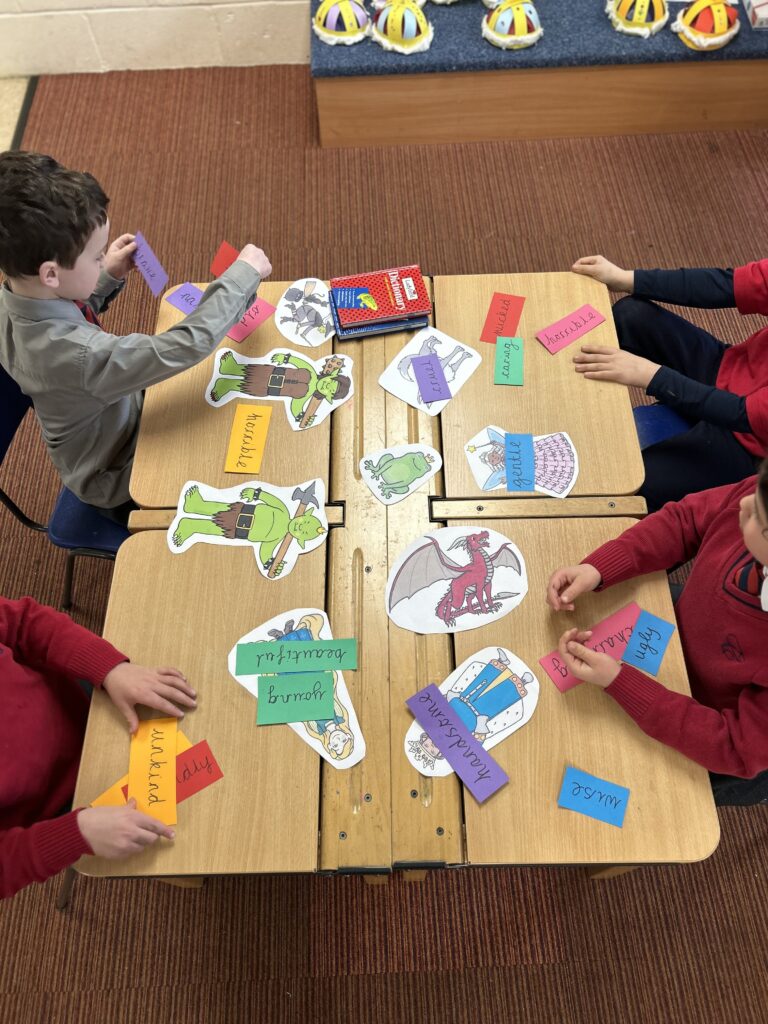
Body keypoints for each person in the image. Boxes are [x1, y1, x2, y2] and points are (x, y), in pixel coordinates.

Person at [0, 151, 272, 522]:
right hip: (119, 473)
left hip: (113, 417)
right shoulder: (79, 357)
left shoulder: (14, 294)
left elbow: (64, 316)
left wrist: (105, 275)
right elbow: (186, 344)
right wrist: (243, 275)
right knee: (250, 454)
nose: (101, 262)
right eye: (96, 257)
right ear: (50, 273)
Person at [546, 460, 768, 806]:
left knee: (651, 801)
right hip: (675, 634)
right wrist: (600, 568)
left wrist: (620, 682)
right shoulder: (756, 496)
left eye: (761, 519)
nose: (743, 502)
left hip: (709, 733)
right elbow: (686, 521)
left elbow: (734, 749)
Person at [0, 594, 198, 899]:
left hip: (90, 703)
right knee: (198, 826)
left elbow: (24, 622)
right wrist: (75, 834)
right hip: (65, 808)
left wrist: (108, 668)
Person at [570, 254, 766, 512]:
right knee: (631, 314)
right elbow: (727, 284)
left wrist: (651, 376)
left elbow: (741, 413)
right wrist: (627, 278)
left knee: (628, 487)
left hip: (747, 443)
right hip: (727, 367)